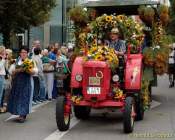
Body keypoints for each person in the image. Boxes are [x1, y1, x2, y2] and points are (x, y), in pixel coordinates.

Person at [8, 48, 38, 122]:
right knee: (18, 98)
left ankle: (23, 115)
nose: (23, 54)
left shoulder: (31, 61)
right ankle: (19, 113)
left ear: (27, 53)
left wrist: (28, 70)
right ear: (20, 53)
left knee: (25, 98)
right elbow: (11, 72)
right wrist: (18, 70)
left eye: (25, 52)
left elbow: (35, 72)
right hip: (17, 83)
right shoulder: (16, 61)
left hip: (27, 83)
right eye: (22, 52)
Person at [0, 46, 6, 113]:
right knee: (0, 93)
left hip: (2, 76)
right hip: (0, 76)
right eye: (4, 50)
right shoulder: (1, 58)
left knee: (2, 93)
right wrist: (3, 59)